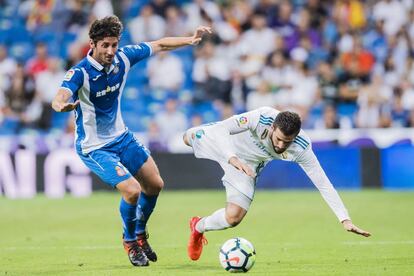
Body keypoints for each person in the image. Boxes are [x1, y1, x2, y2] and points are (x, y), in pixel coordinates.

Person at [51, 15, 211, 267]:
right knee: (132, 189)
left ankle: (140, 233)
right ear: (92, 44)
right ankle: (129, 242)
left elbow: (160, 44)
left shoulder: (124, 57)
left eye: (114, 45)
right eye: (105, 45)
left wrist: (190, 40)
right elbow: (59, 95)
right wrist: (61, 105)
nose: (111, 51)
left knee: (155, 184)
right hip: (94, 147)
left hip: (121, 137)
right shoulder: (80, 72)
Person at [183, 106, 371, 261]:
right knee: (186, 138)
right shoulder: (261, 117)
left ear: (295, 137)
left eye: (287, 142)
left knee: (233, 218)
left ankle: (198, 227)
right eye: (279, 139)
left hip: (247, 166)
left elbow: (323, 183)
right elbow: (221, 129)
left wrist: (344, 219)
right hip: (225, 145)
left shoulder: (302, 148)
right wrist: (231, 157)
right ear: (272, 128)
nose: (281, 146)